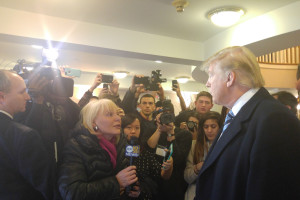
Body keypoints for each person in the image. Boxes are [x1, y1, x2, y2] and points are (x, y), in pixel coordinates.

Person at [195, 46, 300, 200]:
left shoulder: (274, 119)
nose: (207, 83)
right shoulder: (238, 114)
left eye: (211, 75)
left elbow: (269, 191)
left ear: (230, 78)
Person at [58, 99, 138, 200]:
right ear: (93, 122)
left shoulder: (122, 143)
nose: (118, 118)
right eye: (109, 114)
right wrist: (116, 182)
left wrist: (134, 190)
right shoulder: (76, 146)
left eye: (118, 114)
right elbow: (71, 192)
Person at [0, 70, 55, 199]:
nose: (28, 97)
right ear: (2, 97)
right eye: (22, 92)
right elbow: (46, 186)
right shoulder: (25, 136)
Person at [146, 100, 192, 200]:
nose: (166, 117)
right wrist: (159, 129)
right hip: (154, 181)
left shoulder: (184, 134)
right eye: (163, 115)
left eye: (169, 114)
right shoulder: (153, 129)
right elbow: (149, 148)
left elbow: (178, 159)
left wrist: (171, 132)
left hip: (174, 184)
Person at [121, 113, 173, 200]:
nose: (133, 131)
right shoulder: (116, 150)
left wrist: (169, 166)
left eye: (137, 128)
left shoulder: (143, 151)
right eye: (129, 127)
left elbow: (162, 175)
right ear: (121, 129)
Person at [184, 111, 221, 200]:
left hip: (217, 191)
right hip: (196, 192)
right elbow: (187, 177)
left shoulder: (225, 145)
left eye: (213, 126)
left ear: (220, 127)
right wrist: (196, 168)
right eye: (206, 127)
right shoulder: (195, 145)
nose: (209, 130)